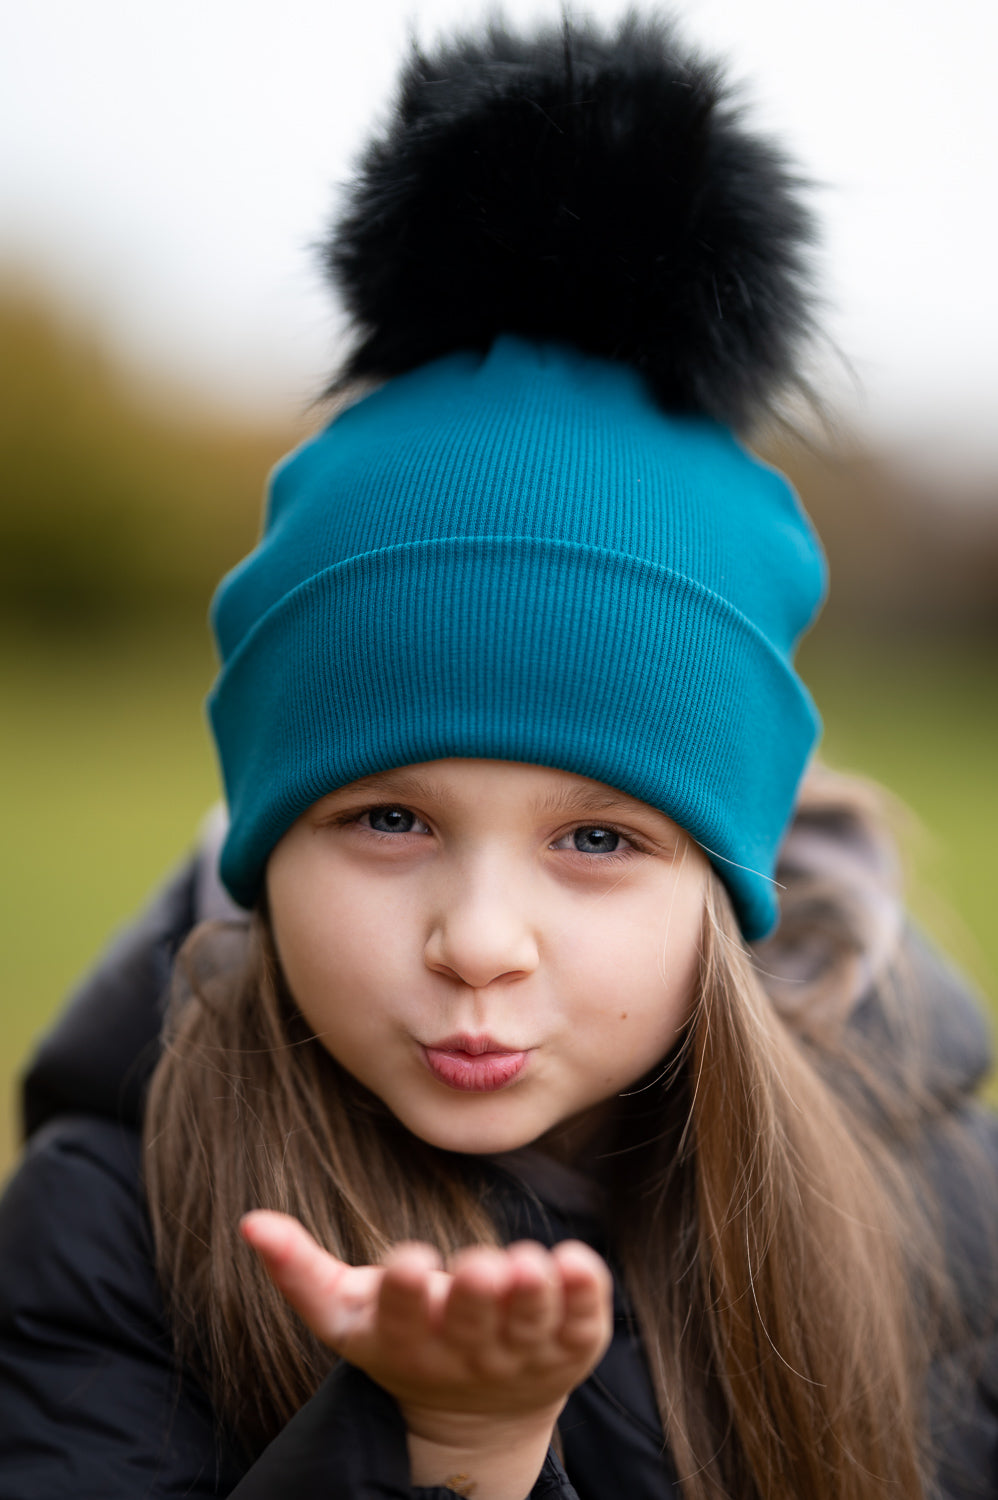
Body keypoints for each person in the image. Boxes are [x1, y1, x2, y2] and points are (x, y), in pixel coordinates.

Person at [1, 14, 995, 1500]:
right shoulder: (110, 1222)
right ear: (269, 842)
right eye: (389, 816)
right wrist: (444, 1457)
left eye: (597, 839)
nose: (476, 940)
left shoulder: (932, 1188)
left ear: (720, 883)